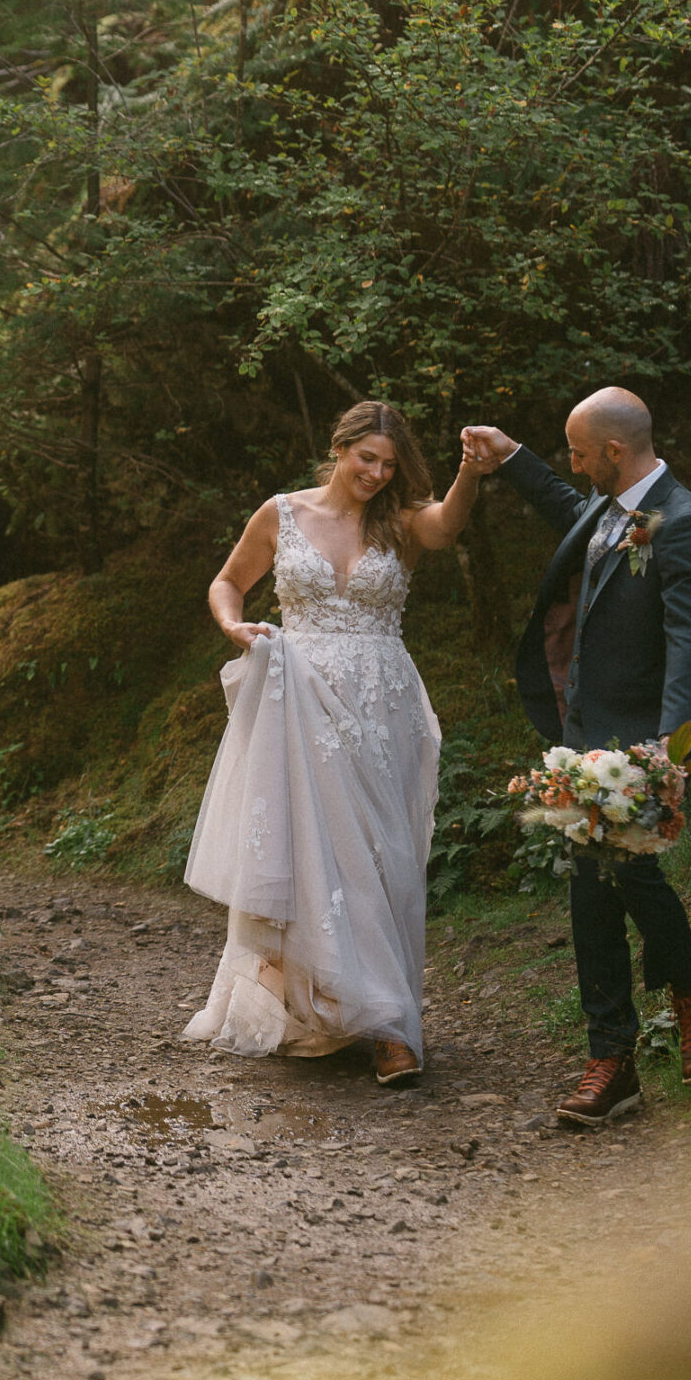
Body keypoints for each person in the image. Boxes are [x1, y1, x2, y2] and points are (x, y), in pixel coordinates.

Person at [183, 401, 486, 1086]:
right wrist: (236, 627)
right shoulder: (281, 513)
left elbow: (445, 526)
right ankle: (377, 1027)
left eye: (389, 464)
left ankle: (384, 1012)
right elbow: (228, 582)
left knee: (384, 857)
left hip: (383, 705)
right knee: (313, 852)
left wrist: (469, 471)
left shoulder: (402, 519)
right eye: (366, 459)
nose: (377, 474)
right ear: (339, 446)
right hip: (301, 701)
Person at [462, 388, 691, 1128]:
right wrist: (509, 455)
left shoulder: (683, 526)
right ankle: (622, 1051)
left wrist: (669, 750)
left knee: (628, 877)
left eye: (579, 451)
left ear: (614, 452)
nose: (573, 463)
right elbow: (562, 502)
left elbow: (690, 640)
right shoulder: (606, 506)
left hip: (641, 745)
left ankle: (673, 1013)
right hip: (582, 736)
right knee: (593, 889)